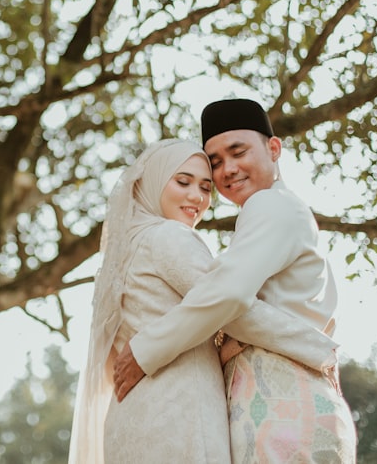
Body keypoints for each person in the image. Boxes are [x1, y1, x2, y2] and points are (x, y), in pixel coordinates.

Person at [112, 99, 357, 463]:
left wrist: (146, 349)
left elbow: (227, 294)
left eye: (237, 152)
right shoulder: (267, 214)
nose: (227, 170)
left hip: (283, 399)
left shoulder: (270, 205)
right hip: (279, 399)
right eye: (216, 162)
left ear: (274, 149)